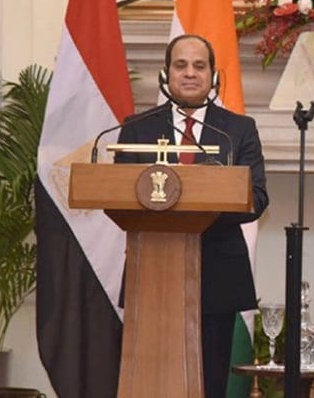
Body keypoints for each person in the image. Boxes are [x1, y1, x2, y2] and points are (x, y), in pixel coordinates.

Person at [114, 34, 269, 398]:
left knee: (210, 382)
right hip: (152, 272)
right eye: (180, 65)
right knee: (151, 381)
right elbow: (119, 193)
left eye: (200, 66)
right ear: (165, 73)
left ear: (214, 75)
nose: (189, 73)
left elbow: (257, 197)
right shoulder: (137, 127)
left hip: (218, 273)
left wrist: (201, 209)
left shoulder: (237, 129)